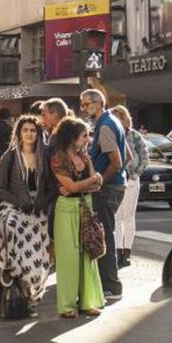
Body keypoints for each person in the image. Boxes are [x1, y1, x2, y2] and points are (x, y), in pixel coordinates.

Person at [0, 115, 51, 318]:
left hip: (38, 213)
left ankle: (31, 301)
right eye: (25, 130)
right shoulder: (9, 157)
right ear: (19, 133)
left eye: (33, 130)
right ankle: (8, 268)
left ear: (38, 134)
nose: (29, 134)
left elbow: (51, 187)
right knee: (10, 226)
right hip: (15, 208)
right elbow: (0, 188)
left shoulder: (44, 157)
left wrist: (43, 202)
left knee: (38, 262)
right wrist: (19, 202)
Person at [48, 116, 105, 318]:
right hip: (66, 210)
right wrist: (92, 179)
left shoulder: (85, 157)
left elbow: (96, 185)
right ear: (72, 137)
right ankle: (67, 306)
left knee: (87, 255)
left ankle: (87, 302)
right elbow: (79, 185)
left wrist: (86, 183)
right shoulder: (58, 158)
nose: (87, 139)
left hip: (84, 206)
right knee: (68, 259)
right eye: (84, 136)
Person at [79, 89, 128, 300]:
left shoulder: (106, 125)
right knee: (104, 233)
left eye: (86, 103)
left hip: (107, 189)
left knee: (104, 235)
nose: (83, 108)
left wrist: (99, 182)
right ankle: (107, 283)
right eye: (82, 104)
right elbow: (127, 157)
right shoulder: (111, 122)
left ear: (99, 103)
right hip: (115, 186)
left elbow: (117, 161)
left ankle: (111, 285)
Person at [110, 106, 148, 268]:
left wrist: (135, 174)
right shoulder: (110, 136)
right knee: (117, 217)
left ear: (125, 119)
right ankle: (118, 251)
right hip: (115, 180)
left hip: (131, 180)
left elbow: (144, 158)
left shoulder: (134, 136)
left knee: (128, 216)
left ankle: (127, 252)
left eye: (120, 117)